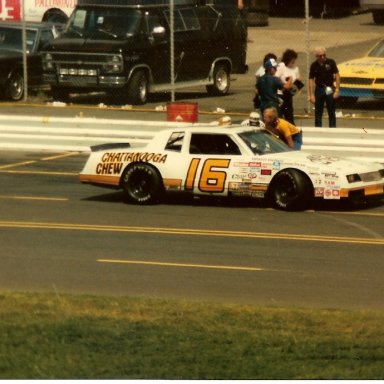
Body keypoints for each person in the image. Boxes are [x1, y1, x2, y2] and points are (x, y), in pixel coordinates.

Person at [309, 47, 340, 128]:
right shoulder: (314, 65)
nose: (322, 57)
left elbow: (337, 75)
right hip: (319, 89)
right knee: (318, 111)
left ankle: (332, 128)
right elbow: (311, 79)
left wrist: (337, 90)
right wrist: (311, 94)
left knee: (331, 110)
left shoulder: (331, 62)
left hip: (329, 88)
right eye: (320, 56)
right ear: (316, 56)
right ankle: (318, 129)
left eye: (324, 55)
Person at [275, 49, 301, 124]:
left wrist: (295, 87)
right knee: (279, 115)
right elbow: (276, 78)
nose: (293, 63)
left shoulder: (295, 68)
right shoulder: (281, 66)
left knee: (289, 115)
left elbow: (298, 81)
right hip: (280, 94)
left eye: (294, 61)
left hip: (289, 94)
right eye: (291, 61)